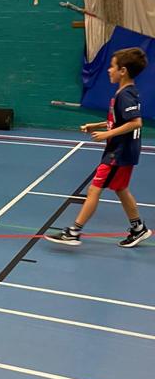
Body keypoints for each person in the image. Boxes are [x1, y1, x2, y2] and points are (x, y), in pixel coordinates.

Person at [45, 47, 150, 248]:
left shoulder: (126, 94)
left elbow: (136, 122)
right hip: (125, 152)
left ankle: (74, 232)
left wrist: (106, 135)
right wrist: (97, 126)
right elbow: (119, 119)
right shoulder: (124, 92)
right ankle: (138, 229)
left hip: (118, 154)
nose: (109, 70)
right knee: (120, 188)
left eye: (112, 67)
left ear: (123, 71)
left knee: (94, 189)